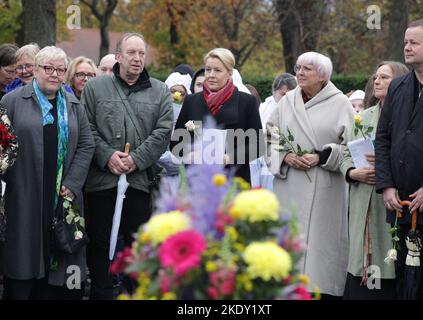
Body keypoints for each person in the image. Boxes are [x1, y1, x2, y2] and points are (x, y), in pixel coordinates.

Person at [81, 32, 173, 300]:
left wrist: (137, 159)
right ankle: (101, 293)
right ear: (118, 56)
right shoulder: (95, 88)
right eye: (131, 52)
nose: (137, 58)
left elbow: (163, 132)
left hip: (139, 183)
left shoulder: (160, 91)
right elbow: (86, 127)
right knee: (99, 245)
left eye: (141, 53)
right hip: (101, 181)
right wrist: (107, 155)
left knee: (136, 248)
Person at [0, 46, 95, 300]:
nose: (54, 74)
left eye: (60, 69)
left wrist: (73, 182)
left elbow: (87, 144)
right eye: (48, 68)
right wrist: (10, 177)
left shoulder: (74, 104)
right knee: (23, 261)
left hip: (63, 197)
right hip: (25, 193)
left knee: (61, 263)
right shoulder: (13, 101)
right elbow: (3, 145)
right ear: (36, 69)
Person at [265, 51, 354, 298]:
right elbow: (269, 136)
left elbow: (353, 146)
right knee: (290, 251)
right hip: (291, 184)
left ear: (323, 76)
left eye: (307, 69)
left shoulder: (340, 103)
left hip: (326, 187)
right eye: (298, 67)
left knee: (319, 256)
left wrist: (322, 156)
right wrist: (284, 156)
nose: (300, 73)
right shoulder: (288, 101)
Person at [375, 19, 423, 299]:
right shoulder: (398, 87)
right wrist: (387, 185)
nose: (406, 47)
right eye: (405, 41)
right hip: (400, 203)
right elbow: (383, 138)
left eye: (413, 42)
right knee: (405, 280)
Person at [341, 61, 409, 300]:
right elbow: (345, 152)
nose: (376, 81)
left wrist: (385, 163)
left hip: (389, 201)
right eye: (375, 77)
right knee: (360, 269)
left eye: (384, 77)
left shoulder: (408, 116)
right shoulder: (364, 116)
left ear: (401, 81)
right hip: (362, 201)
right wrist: (351, 172)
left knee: (388, 261)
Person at [170, 48, 264, 183]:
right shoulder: (192, 101)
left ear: (229, 73)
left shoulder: (246, 102)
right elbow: (175, 144)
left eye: (217, 70)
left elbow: (257, 145)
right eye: (208, 69)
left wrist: (229, 157)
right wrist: (191, 154)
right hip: (197, 182)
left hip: (234, 181)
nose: (211, 75)